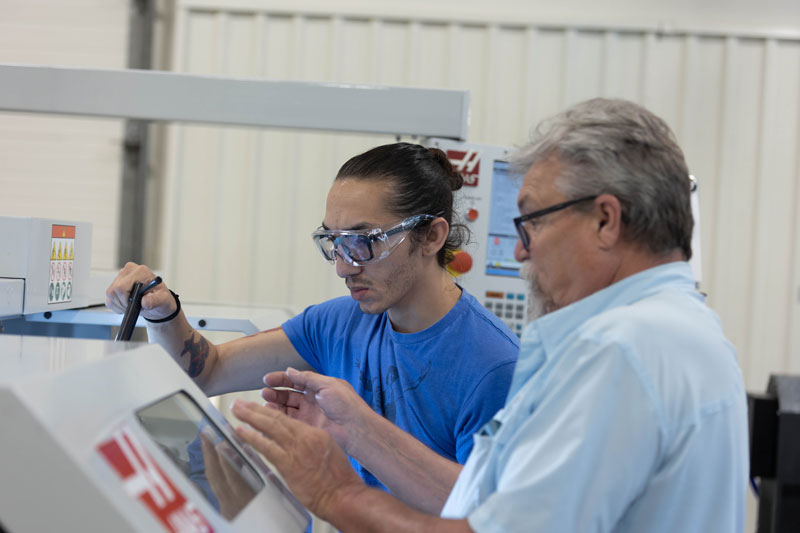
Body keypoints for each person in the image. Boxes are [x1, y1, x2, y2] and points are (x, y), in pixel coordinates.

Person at [230, 98, 749, 532]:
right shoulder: (685, 331)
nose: (522, 253)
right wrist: (359, 431)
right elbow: (482, 497)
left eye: (533, 224)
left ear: (606, 221)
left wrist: (333, 492)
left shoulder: (621, 351)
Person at [106, 142, 519, 499]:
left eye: (364, 242)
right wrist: (163, 312)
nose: (343, 267)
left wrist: (360, 441)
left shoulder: (493, 365)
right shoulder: (340, 324)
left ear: (431, 236)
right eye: (334, 243)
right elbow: (208, 371)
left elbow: (486, 515)